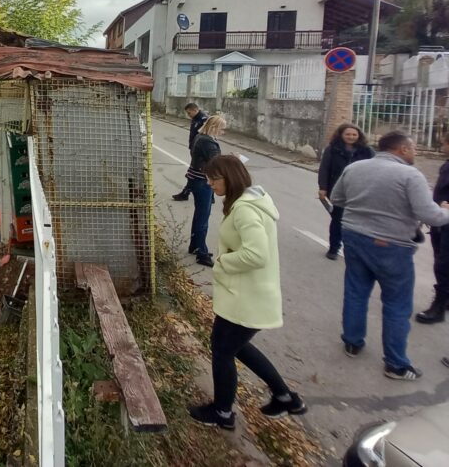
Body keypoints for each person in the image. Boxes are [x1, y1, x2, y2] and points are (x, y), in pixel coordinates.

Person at [188, 155, 306, 430]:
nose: (210, 184)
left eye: (214, 179)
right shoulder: (248, 202)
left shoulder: (245, 210)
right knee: (235, 347)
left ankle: (222, 412)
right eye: (208, 178)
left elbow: (256, 255)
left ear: (229, 177)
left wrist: (223, 262)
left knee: (222, 350)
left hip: (246, 297)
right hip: (246, 294)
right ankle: (285, 397)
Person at [331, 131, 449, 380]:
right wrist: (445, 211)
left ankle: (352, 342)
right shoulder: (410, 175)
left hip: (354, 236)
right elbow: (431, 215)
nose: (416, 152)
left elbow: (337, 198)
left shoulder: (355, 168)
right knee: (397, 303)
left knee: (355, 291)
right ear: (402, 149)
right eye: (413, 148)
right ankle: (396, 364)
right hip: (391, 245)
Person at [318, 124, 375, 260]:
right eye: (348, 134)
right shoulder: (332, 149)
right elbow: (324, 169)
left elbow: (375, 169)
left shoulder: (367, 151)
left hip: (360, 191)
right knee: (337, 220)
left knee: (358, 222)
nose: (351, 137)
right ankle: (334, 248)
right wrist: (323, 187)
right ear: (341, 135)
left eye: (354, 134)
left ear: (359, 136)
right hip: (338, 191)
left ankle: (355, 249)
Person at [417, 132, 449, 324]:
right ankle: (446, 298)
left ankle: (438, 307)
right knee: (441, 261)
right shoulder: (447, 164)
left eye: (444, 143)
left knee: (443, 265)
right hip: (441, 220)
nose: (442, 147)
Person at [186, 114, 226, 267]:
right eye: (222, 129)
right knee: (203, 218)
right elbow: (216, 164)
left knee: (199, 215)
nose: (223, 132)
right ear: (214, 127)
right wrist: (232, 160)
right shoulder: (209, 143)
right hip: (203, 181)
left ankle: (195, 245)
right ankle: (201, 253)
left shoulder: (199, 137)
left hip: (195, 178)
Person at [172, 103, 209, 201]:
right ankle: (187, 193)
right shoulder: (195, 119)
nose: (188, 115)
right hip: (194, 148)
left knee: (193, 174)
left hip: (200, 151)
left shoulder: (204, 120)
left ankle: (186, 193)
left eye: (189, 113)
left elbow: (206, 135)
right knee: (195, 173)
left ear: (195, 110)